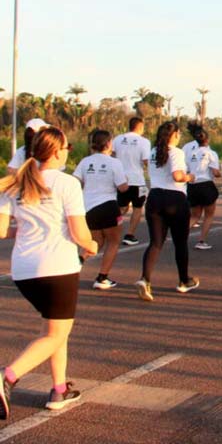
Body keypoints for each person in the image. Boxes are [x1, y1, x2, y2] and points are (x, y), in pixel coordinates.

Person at [0, 127, 99, 417]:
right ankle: (8, 376)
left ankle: (59, 389)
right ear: (57, 151)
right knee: (56, 333)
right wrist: (91, 245)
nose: (68, 152)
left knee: (55, 329)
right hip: (58, 268)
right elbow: (80, 233)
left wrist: (33, 225)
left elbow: (3, 230)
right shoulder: (67, 183)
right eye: (67, 148)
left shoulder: (15, 183)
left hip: (23, 271)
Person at [135, 121, 198, 302]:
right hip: (175, 199)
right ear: (175, 135)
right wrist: (190, 177)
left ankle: (144, 279)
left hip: (155, 198)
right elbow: (177, 176)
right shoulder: (176, 152)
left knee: (155, 243)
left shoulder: (154, 151)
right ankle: (183, 280)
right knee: (180, 242)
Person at [72, 130, 128, 289]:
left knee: (96, 241)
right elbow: (123, 188)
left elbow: (76, 182)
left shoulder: (85, 161)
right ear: (109, 144)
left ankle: (79, 260)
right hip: (108, 205)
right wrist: (127, 181)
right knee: (114, 241)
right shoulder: (114, 162)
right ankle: (102, 277)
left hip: (88, 207)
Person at [112, 117, 151, 246]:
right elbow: (146, 160)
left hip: (121, 179)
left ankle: (110, 229)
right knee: (137, 208)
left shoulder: (117, 139)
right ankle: (130, 234)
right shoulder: (144, 141)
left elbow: (111, 155)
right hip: (137, 180)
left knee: (121, 207)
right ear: (140, 127)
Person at [185, 128, 221, 250]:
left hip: (192, 185)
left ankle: (180, 235)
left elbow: (187, 169)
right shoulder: (211, 153)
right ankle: (201, 240)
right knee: (209, 215)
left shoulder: (190, 153)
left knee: (194, 216)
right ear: (207, 139)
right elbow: (215, 172)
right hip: (206, 185)